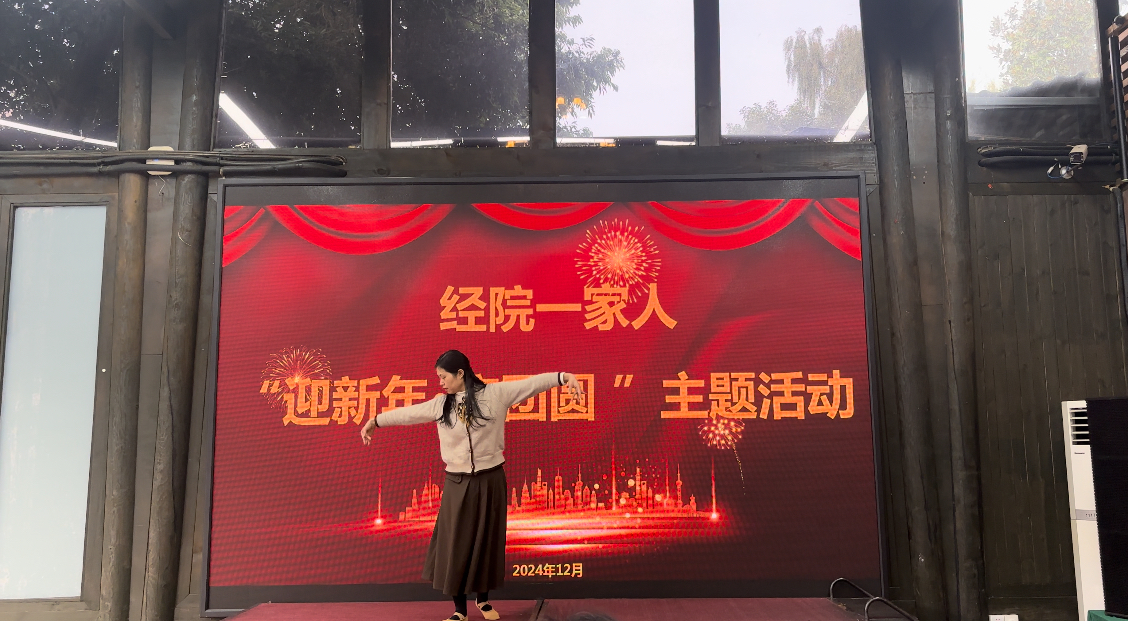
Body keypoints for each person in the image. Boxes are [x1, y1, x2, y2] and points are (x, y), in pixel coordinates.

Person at [361, 349, 585, 621]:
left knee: (486, 541)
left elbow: (531, 384)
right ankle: (459, 610)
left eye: (444, 377)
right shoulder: (440, 405)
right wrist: (375, 422)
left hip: (490, 480)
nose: (440, 382)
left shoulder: (496, 394)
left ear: (460, 373)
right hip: (457, 482)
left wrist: (564, 377)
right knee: (456, 544)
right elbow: (408, 414)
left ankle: (483, 600)